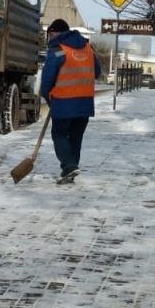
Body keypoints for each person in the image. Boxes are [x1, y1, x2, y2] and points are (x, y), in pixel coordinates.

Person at [39, 18, 101, 185]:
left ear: (57, 33)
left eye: (50, 34)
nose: (50, 37)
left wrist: (47, 95)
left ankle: (69, 166)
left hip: (63, 101)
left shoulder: (59, 50)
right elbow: (97, 72)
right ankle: (71, 170)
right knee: (75, 137)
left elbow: (47, 78)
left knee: (59, 134)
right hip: (85, 104)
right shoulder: (88, 48)